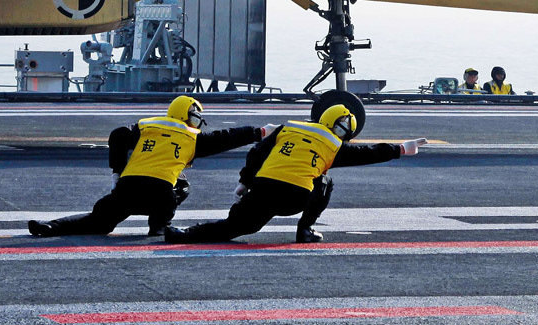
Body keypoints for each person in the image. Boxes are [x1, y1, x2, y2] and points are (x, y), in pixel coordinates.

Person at [163, 104, 427, 244]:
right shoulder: (334, 145)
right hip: (295, 197)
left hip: (262, 189)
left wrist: (244, 182)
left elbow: (256, 153)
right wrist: (402, 149)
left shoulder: (286, 129)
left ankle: (183, 233)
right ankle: (306, 229)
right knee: (324, 182)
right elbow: (368, 153)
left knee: (234, 228)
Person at [27, 95, 277, 237]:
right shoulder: (192, 138)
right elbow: (227, 138)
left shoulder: (146, 127)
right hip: (160, 194)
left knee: (97, 222)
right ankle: (160, 226)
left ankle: (50, 227)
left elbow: (117, 135)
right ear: (189, 116)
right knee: (182, 187)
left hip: (126, 188)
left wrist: (117, 172)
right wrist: (261, 132)